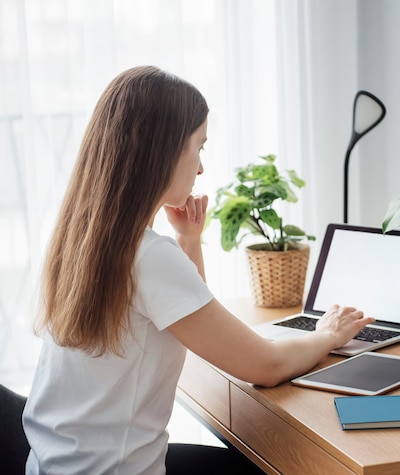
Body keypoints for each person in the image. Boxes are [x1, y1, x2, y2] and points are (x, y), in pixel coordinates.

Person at [22, 66, 374, 474]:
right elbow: (267, 367)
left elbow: (188, 319)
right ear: (163, 151)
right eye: (199, 146)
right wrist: (327, 334)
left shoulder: (81, 239)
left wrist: (189, 240)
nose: (202, 167)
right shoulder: (149, 256)